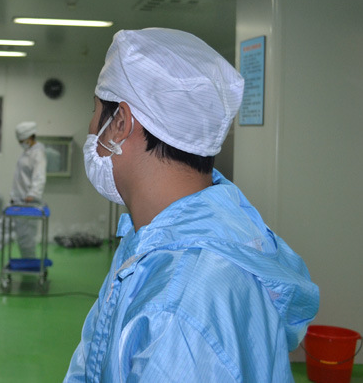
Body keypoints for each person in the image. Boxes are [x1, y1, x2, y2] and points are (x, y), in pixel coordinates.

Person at [64, 28, 319, 382]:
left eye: (95, 110)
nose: (92, 126)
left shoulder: (177, 306)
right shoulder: (155, 244)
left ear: (120, 123)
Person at [0, 121, 46, 260]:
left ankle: (29, 263)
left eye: (22, 140)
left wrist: (33, 194)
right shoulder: (27, 152)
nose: (21, 143)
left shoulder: (38, 153)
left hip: (28, 202)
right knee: (3, 227)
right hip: (18, 199)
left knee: (25, 237)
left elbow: (39, 176)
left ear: (30, 137)